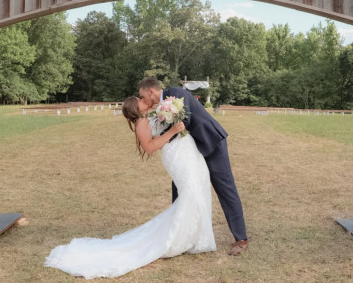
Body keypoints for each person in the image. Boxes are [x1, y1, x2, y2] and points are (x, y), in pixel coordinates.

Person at [45, 96, 216, 279]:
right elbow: (149, 147)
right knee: (190, 192)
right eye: (141, 100)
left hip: (184, 152)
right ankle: (182, 237)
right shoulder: (141, 123)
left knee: (197, 190)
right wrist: (172, 131)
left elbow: (157, 134)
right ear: (136, 108)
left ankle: (195, 235)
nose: (144, 100)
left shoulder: (149, 116)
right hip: (175, 157)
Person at [138, 77, 248, 255]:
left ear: (151, 91)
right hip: (188, 152)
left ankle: (241, 238)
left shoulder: (176, 93)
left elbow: (185, 121)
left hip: (211, 143)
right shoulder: (160, 107)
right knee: (181, 187)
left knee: (225, 188)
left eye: (143, 97)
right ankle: (179, 234)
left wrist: (160, 137)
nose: (144, 101)